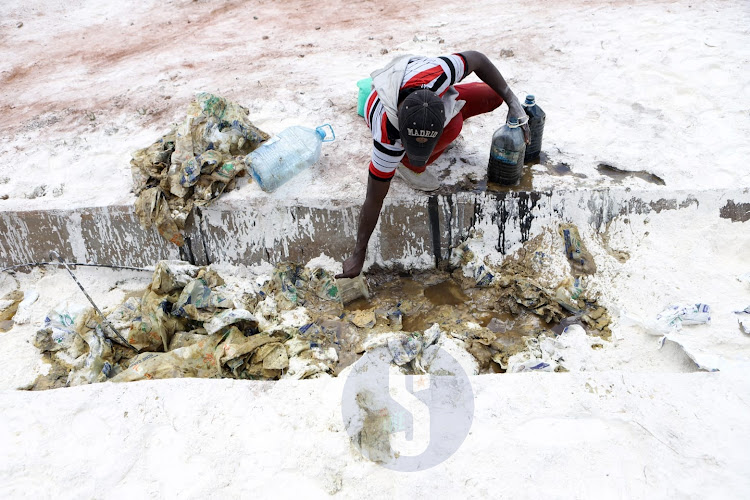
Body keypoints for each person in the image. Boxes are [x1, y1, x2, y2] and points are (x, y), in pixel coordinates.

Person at [336, 51, 529, 279]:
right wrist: (358, 254)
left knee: (493, 95)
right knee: (454, 126)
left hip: (422, 88)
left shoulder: (439, 74)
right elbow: (374, 198)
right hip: (390, 93)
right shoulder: (388, 137)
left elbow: (477, 58)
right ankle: (407, 165)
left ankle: (445, 127)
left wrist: (513, 102)